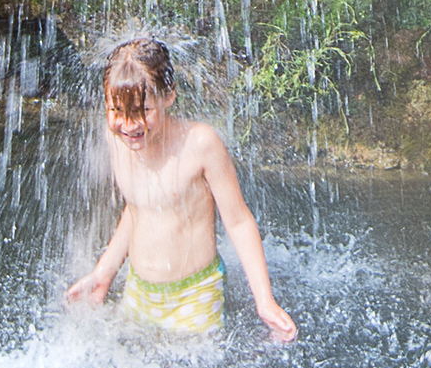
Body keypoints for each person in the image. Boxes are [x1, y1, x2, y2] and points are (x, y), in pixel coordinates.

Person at [62, 36, 297, 342]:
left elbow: (238, 221)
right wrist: (103, 272)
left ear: (168, 95)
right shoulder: (117, 142)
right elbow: (136, 210)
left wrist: (264, 299)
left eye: (143, 110)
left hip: (194, 294)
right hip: (139, 292)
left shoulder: (200, 144)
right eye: (117, 111)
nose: (130, 125)